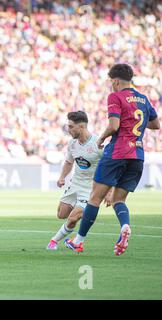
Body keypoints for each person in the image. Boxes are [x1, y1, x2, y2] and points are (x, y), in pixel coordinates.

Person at [65, 64, 160, 255]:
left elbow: (114, 125)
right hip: (137, 155)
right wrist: (136, 124)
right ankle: (124, 226)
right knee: (118, 199)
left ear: (116, 81)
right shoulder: (143, 98)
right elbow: (156, 124)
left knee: (95, 197)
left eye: (111, 82)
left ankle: (79, 240)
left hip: (117, 151)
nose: (111, 85)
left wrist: (100, 138)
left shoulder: (115, 97)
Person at [47, 111, 104, 250]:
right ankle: (73, 228)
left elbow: (109, 168)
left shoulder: (98, 145)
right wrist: (62, 177)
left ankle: (54, 241)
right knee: (62, 214)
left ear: (82, 127)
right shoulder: (72, 144)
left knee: (73, 218)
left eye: (71, 127)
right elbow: (68, 162)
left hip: (90, 190)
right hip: (74, 184)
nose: (68, 130)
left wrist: (108, 190)